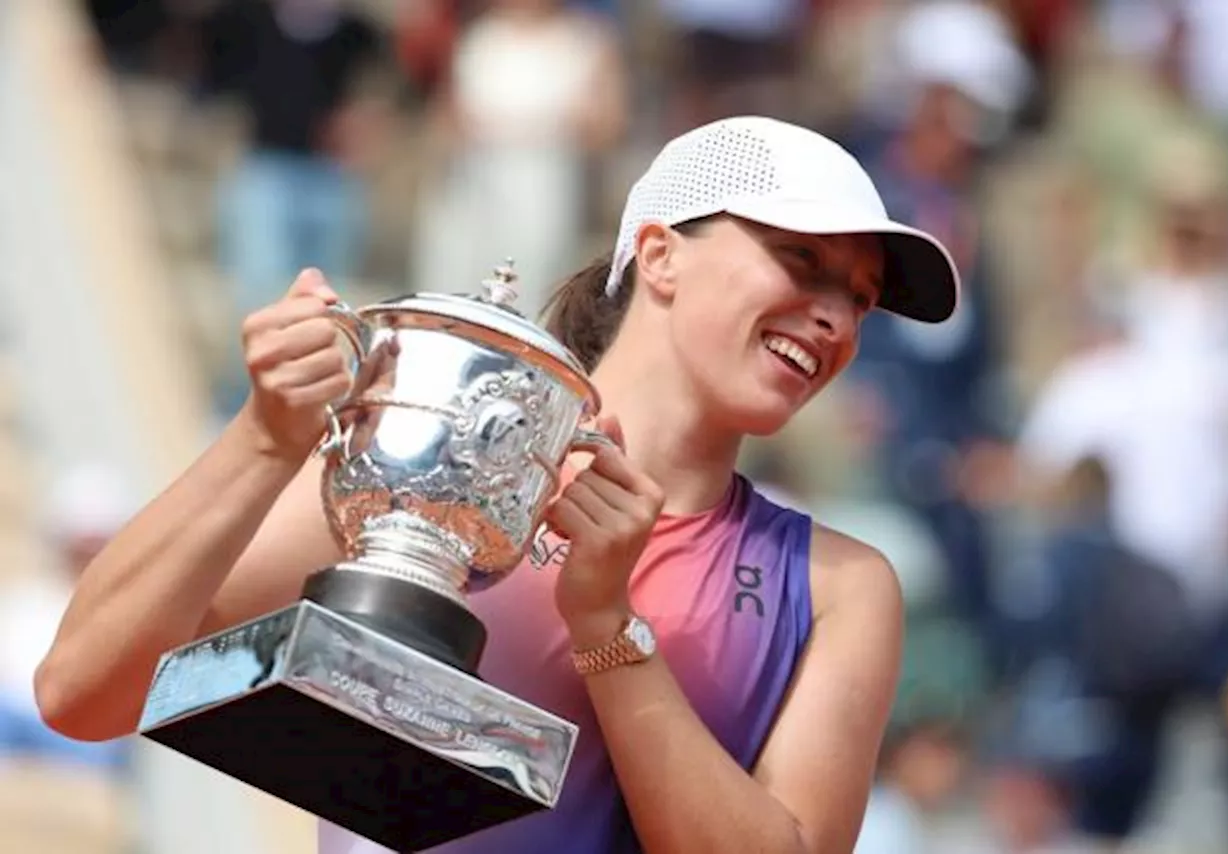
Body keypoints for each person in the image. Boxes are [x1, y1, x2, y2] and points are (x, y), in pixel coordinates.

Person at [34, 116, 960, 853]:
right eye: (802, 261)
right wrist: (263, 441)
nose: (836, 317)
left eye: (860, 299)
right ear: (663, 254)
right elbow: (84, 693)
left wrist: (607, 632)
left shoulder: (838, 585)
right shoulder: (431, 456)